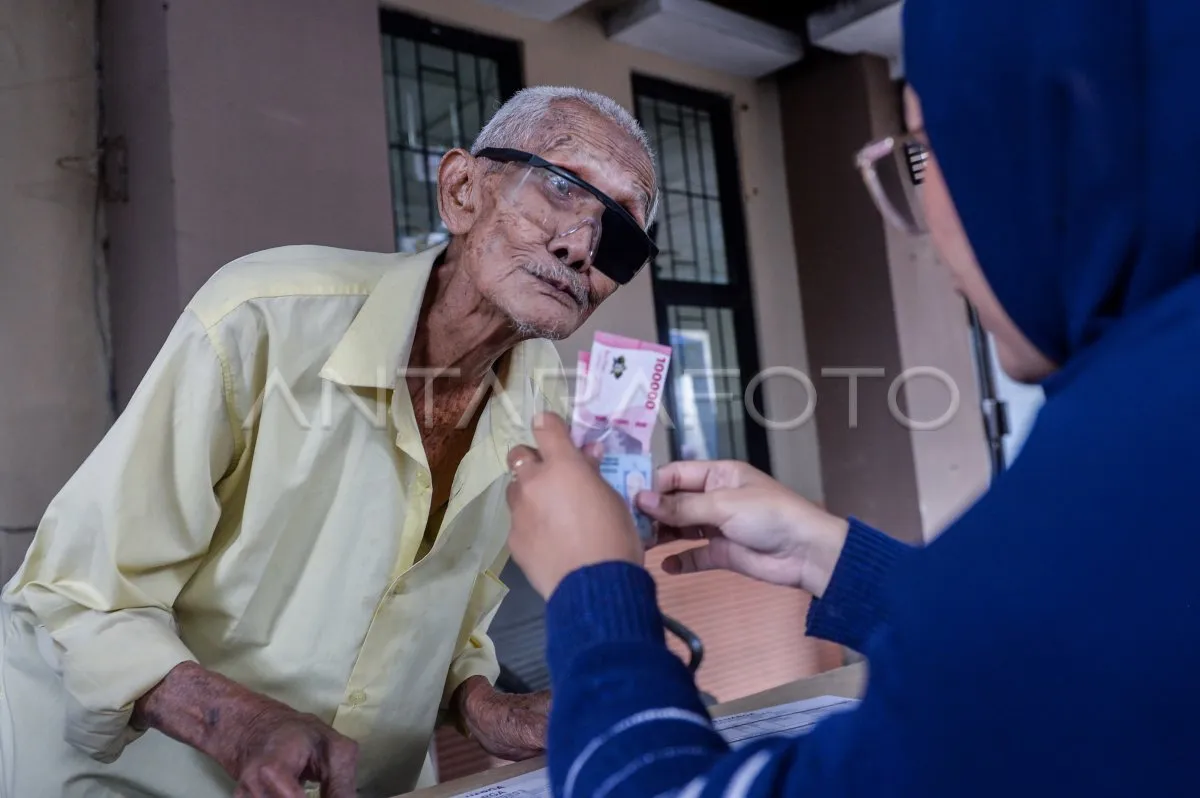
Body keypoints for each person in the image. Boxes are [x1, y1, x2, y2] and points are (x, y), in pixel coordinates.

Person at [504, 2, 1200, 796]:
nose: (922, 225)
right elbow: (1053, 651)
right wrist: (824, 552)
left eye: (929, 152)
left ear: (1046, 148)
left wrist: (594, 590)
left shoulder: (1125, 490)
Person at [0, 86, 659, 798]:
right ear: (461, 189)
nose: (581, 247)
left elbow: (441, 616)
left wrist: (484, 704)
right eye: (560, 189)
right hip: (121, 779)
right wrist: (238, 724)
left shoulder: (541, 397)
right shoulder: (263, 319)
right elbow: (75, 594)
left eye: (619, 236)